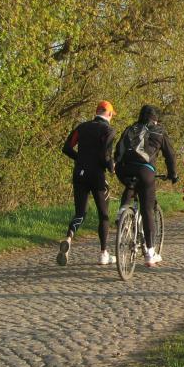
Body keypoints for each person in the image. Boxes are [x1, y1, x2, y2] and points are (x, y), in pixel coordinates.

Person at [114, 105, 178, 267]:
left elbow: (118, 150)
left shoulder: (130, 128)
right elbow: (170, 155)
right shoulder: (159, 131)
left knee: (131, 184)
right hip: (145, 170)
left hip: (123, 169)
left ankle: (122, 211)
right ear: (155, 119)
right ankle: (150, 253)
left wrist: (119, 165)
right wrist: (173, 174)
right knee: (147, 209)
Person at [57, 100, 117, 266]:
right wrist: (111, 167)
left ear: (96, 112)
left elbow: (66, 148)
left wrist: (81, 159)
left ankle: (69, 238)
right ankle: (103, 254)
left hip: (80, 174)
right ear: (109, 114)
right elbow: (106, 156)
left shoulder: (81, 127)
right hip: (97, 176)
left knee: (80, 213)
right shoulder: (109, 130)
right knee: (103, 215)